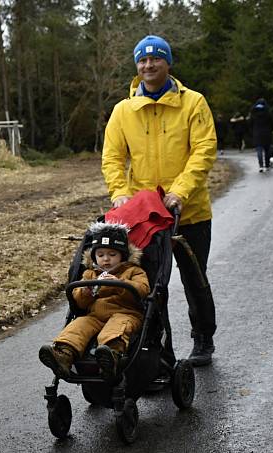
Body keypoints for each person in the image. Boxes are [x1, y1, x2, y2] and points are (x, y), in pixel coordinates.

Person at [101, 34, 218, 366]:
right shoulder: (123, 111)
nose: (148, 65)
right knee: (151, 285)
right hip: (146, 218)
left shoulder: (193, 103)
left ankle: (203, 338)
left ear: (168, 63)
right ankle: (157, 350)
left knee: (195, 278)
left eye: (155, 59)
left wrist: (180, 192)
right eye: (142, 60)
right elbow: (111, 158)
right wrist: (120, 194)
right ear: (137, 66)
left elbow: (204, 151)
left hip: (190, 212)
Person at [39, 222, 149, 382]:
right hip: (95, 315)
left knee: (116, 328)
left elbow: (143, 289)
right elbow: (80, 303)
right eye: (101, 254)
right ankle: (64, 354)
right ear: (94, 256)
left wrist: (121, 284)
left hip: (126, 313)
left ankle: (111, 355)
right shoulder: (90, 274)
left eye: (112, 254)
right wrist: (87, 291)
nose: (106, 259)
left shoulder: (133, 271)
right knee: (78, 326)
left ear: (122, 255)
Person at [248, 98, 273, 172]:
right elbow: (272, 124)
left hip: (257, 133)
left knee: (259, 150)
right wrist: (271, 130)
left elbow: (250, 124)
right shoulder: (268, 113)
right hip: (267, 133)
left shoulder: (253, 113)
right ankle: (267, 165)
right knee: (267, 150)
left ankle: (260, 166)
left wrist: (252, 132)